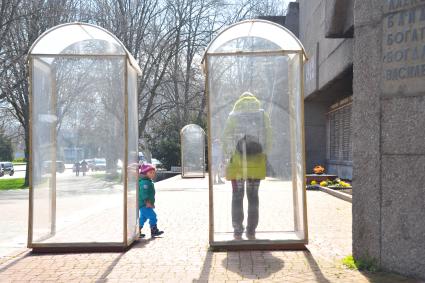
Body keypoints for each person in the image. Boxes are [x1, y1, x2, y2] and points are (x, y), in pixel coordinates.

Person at [222, 92, 272, 240]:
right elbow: (269, 136)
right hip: (256, 165)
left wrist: (230, 154)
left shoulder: (233, 115)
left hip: (237, 166)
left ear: (240, 100)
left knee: (237, 197)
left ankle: (237, 230)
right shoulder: (263, 115)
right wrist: (264, 154)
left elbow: (226, 137)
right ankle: (251, 230)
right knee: (253, 197)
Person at [139, 163, 164, 238]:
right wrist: (147, 202)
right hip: (144, 204)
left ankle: (137, 231)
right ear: (145, 173)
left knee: (143, 218)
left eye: (153, 172)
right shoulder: (145, 183)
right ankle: (154, 230)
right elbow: (144, 193)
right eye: (150, 172)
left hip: (144, 204)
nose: (152, 174)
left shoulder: (147, 181)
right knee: (153, 216)